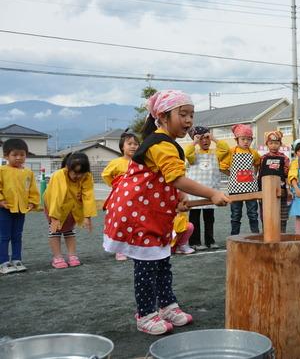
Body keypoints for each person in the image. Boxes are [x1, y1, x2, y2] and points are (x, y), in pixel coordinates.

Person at [103, 90, 229, 335]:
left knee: (161, 262)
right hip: (139, 213)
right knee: (146, 266)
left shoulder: (168, 143)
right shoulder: (159, 143)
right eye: (183, 114)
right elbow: (177, 178)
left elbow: (170, 180)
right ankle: (146, 313)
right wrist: (211, 194)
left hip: (155, 213)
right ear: (161, 116)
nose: (189, 120)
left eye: (191, 115)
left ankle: (166, 305)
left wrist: (181, 199)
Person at [44, 152, 96, 269]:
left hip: (72, 207)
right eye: (75, 173)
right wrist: (54, 218)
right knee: (55, 231)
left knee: (69, 231)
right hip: (54, 207)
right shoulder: (59, 175)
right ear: (68, 168)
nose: (78, 176)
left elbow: (88, 196)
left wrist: (87, 217)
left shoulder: (87, 176)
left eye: (81, 173)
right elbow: (56, 197)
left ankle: (72, 256)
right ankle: (57, 257)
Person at [0, 139, 39, 274]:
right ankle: (3, 262)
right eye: (15, 154)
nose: (19, 158)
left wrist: (32, 202)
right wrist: (1, 200)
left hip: (21, 209)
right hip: (4, 209)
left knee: (17, 235)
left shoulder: (28, 173)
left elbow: (33, 189)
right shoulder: (2, 170)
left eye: (22, 154)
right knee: (4, 236)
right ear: (6, 156)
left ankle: (17, 259)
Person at [184, 126, 227, 250]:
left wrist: (214, 138)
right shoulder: (193, 153)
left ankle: (210, 241)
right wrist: (194, 141)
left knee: (209, 219)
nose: (205, 141)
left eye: (207, 138)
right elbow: (187, 153)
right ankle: (194, 242)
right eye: (201, 138)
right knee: (194, 219)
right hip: (195, 192)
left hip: (211, 192)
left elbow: (225, 149)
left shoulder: (215, 153)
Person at [102, 129, 140, 260]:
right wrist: (116, 185)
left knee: (136, 222)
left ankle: (134, 246)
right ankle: (120, 250)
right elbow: (106, 175)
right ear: (122, 147)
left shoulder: (141, 161)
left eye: (136, 144)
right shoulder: (116, 162)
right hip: (121, 198)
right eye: (130, 144)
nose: (133, 146)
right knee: (121, 222)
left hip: (138, 199)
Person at [219, 124, 261, 235]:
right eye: (243, 139)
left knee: (253, 213)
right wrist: (232, 175)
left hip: (251, 188)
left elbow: (258, 163)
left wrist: (255, 175)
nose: (246, 142)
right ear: (236, 139)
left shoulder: (254, 153)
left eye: (249, 139)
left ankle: (255, 234)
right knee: (236, 214)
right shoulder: (232, 152)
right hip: (235, 189)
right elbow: (222, 167)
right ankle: (234, 236)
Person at [258, 130, 291, 233]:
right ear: (267, 144)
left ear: (280, 144)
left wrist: (288, 189)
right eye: (271, 143)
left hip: (281, 191)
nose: (273, 146)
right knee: (266, 215)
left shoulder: (285, 158)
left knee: (282, 215)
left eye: (276, 143)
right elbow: (260, 174)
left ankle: (282, 235)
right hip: (265, 191)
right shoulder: (263, 158)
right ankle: (266, 235)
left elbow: (287, 175)